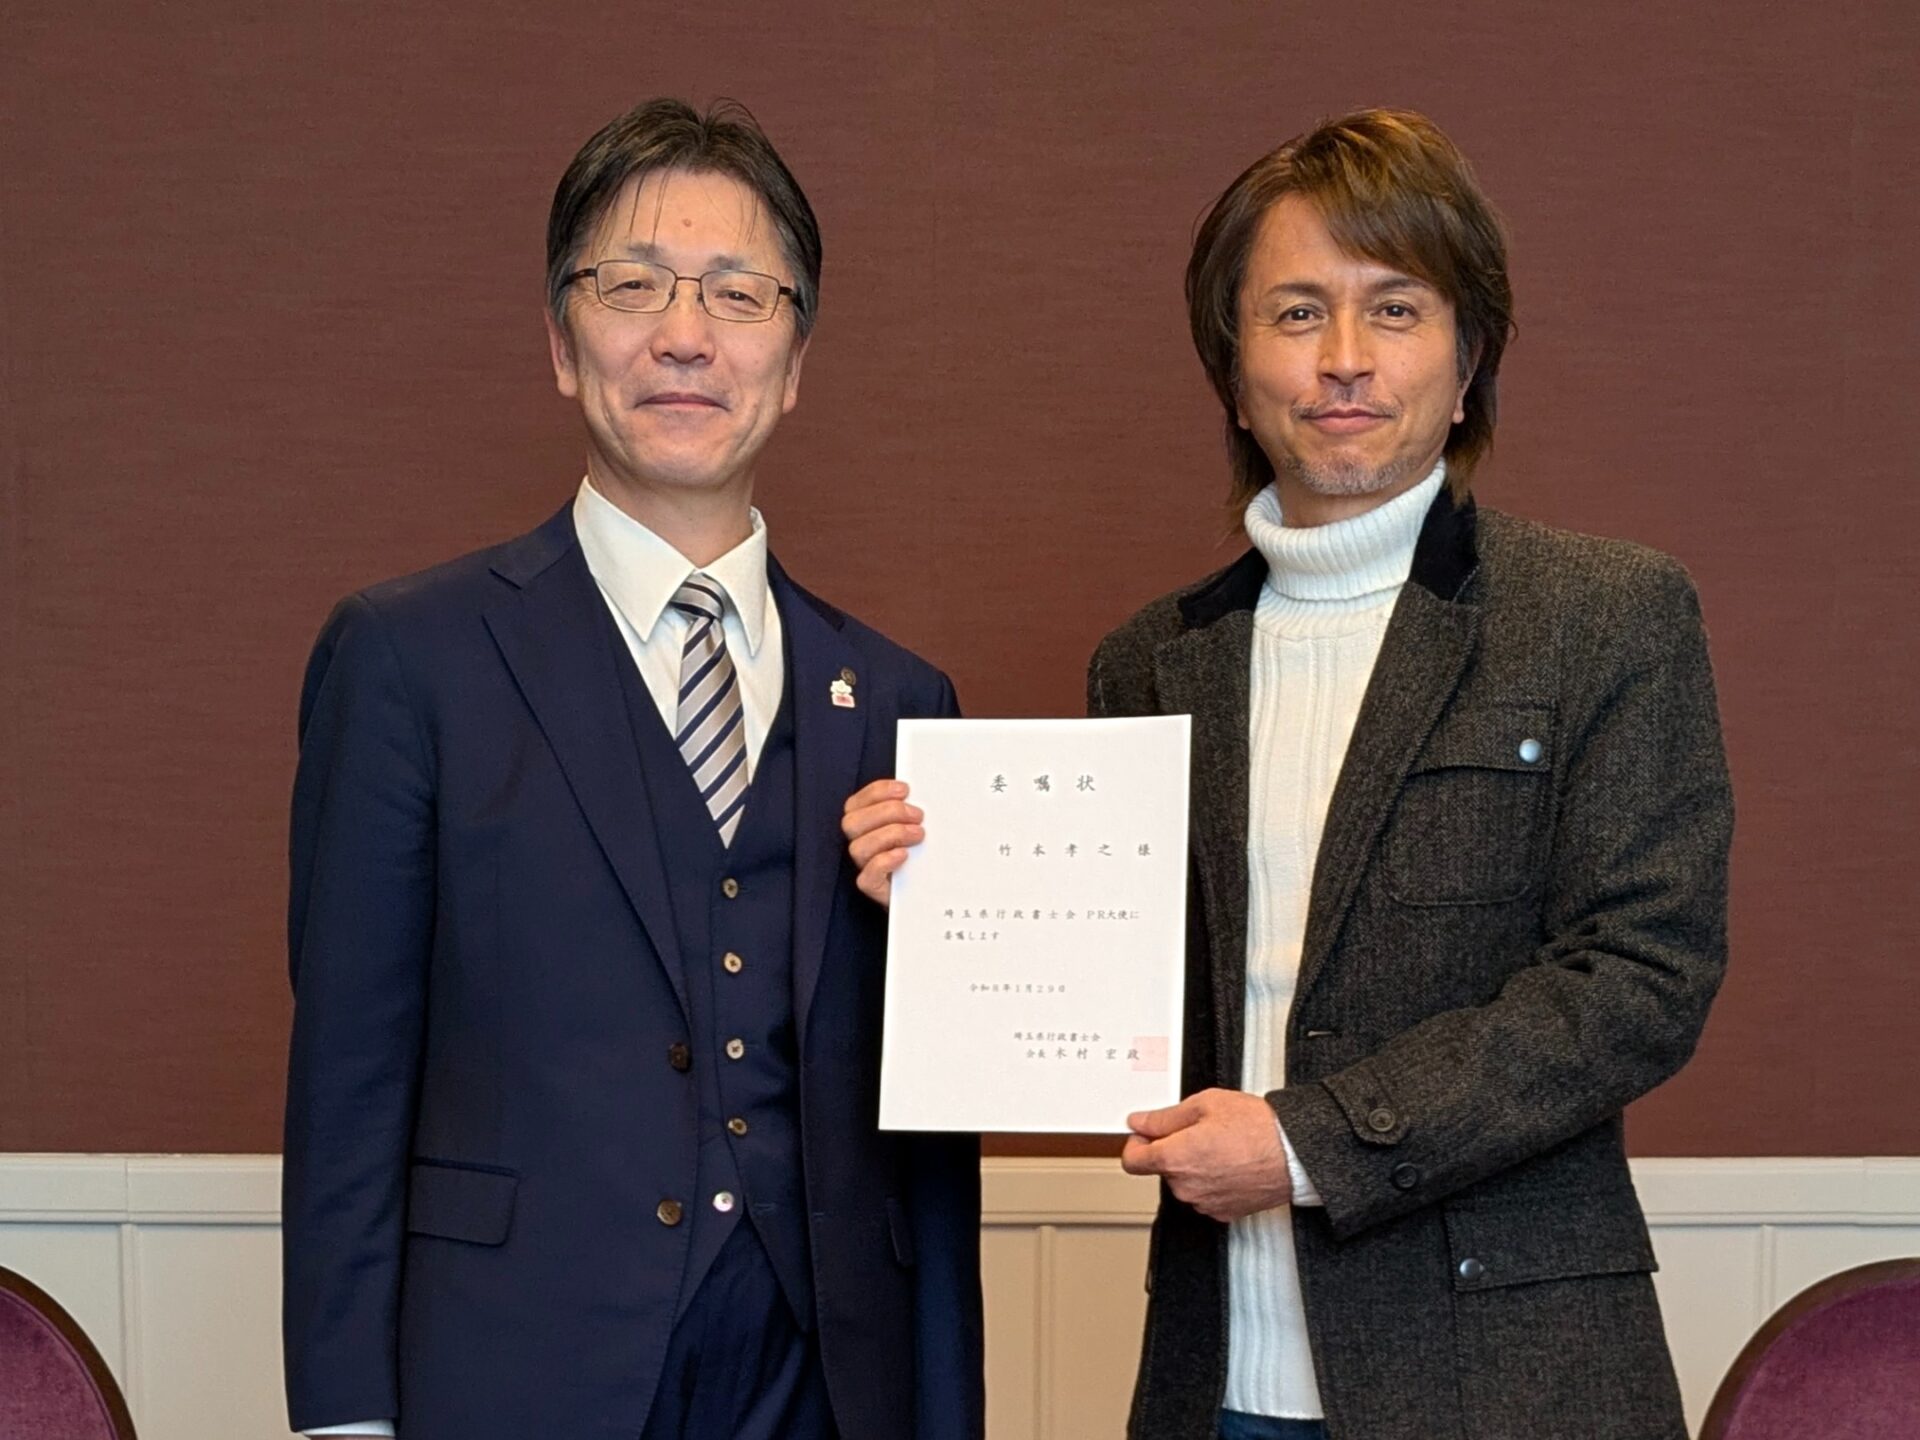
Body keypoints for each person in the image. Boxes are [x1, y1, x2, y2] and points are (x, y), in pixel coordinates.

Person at [846, 109, 1730, 1440]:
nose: (1346, 359)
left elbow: (1641, 979)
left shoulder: (1605, 616)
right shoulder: (1150, 663)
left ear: (1469, 359)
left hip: (1511, 1377)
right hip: (1215, 1381)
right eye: (1297, 312)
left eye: (1396, 309)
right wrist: (938, 890)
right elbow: (1117, 988)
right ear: (1233, 366)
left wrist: (1313, 1143)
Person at [283, 98, 982, 1440]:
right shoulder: (410, 659)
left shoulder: (899, 698)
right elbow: (346, 1083)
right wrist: (344, 1418)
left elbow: (930, 1140)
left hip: (827, 1382)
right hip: (513, 1369)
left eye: (738, 294)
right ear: (563, 342)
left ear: (794, 360)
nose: (685, 335)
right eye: (635, 285)